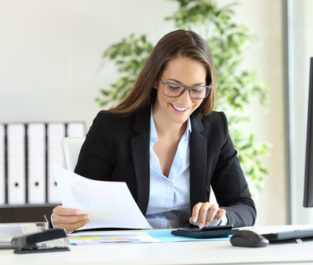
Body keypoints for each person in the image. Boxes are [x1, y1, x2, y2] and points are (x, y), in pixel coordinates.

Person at [52, 29, 256, 233]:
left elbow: (245, 207)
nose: (185, 101)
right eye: (174, 87)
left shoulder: (215, 128)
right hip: (127, 253)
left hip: (189, 252)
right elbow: (81, 206)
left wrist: (220, 216)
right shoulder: (111, 127)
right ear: (156, 80)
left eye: (196, 90)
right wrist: (63, 219)